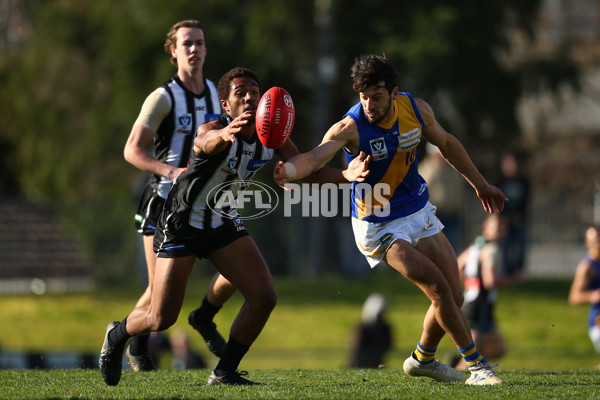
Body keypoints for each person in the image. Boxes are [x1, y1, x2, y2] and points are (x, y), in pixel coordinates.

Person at [100, 67, 369, 386]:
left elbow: (305, 169)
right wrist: (224, 135)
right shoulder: (215, 127)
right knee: (161, 318)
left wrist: (345, 176)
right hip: (183, 222)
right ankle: (116, 335)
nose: (249, 96)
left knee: (264, 296)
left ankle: (224, 370)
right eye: (240, 92)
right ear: (225, 105)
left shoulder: (272, 133)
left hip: (223, 220)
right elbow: (204, 141)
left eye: (254, 91)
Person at [274, 54, 508, 385]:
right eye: (363, 96)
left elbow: (447, 144)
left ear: (393, 93)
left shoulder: (416, 109)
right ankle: (477, 366)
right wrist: (290, 171)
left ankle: (422, 359)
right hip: (378, 223)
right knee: (437, 287)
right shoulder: (350, 127)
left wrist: (480, 184)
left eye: (377, 96)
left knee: (454, 297)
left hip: (416, 209)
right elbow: (313, 158)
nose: (369, 104)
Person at [122, 19, 235, 370]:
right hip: (165, 202)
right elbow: (132, 150)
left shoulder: (220, 93)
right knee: (162, 292)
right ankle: (132, 341)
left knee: (238, 270)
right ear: (174, 51)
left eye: (200, 43)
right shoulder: (163, 97)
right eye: (187, 44)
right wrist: (171, 171)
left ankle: (204, 316)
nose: (194, 49)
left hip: (210, 200)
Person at [454, 214, 522, 371]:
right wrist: (515, 279)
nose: (502, 231)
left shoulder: (475, 247)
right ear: (485, 230)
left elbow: (458, 266)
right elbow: (490, 281)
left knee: (498, 349)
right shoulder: (492, 249)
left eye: (503, 227)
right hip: (479, 305)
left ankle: (458, 362)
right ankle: (456, 372)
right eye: (497, 227)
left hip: (477, 303)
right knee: (471, 355)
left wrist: (469, 283)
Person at [419, 142, 466, 253]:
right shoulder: (425, 170)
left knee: (452, 248)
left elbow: (459, 190)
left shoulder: (453, 169)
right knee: (435, 249)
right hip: (433, 216)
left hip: (453, 215)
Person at [568, 225, 600, 365]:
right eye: (596, 239)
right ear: (588, 243)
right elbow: (574, 297)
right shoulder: (587, 267)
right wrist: (594, 295)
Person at [495, 151, 530, 277]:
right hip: (504, 220)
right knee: (504, 246)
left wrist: (518, 215)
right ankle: (505, 271)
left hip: (519, 219)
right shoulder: (500, 181)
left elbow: (526, 200)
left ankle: (519, 272)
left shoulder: (523, 180)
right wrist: (503, 217)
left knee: (520, 246)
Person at [349, 293, 393, 369]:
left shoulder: (385, 327)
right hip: (359, 363)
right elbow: (358, 347)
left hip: (376, 362)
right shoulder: (363, 327)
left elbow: (387, 345)